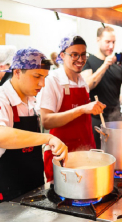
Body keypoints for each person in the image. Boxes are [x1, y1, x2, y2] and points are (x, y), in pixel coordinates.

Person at [0, 47, 67, 210]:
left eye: (45, 77)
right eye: (37, 76)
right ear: (17, 72)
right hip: (3, 197)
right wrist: (48, 138)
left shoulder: (31, 102)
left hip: (32, 191)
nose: (42, 84)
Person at [38, 35, 105, 182]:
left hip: (85, 155)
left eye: (83, 55)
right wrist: (81, 109)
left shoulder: (82, 82)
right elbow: (47, 121)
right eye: (74, 54)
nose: (80, 59)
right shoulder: (52, 80)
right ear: (62, 55)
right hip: (62, 158)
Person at [81, 26, 122, 148]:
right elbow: (87, 85)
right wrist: (105, 65)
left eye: (113, 42)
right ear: (98, 40)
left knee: (117, 154)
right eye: (107, 42)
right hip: (95, 119)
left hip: (116, 118)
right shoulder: (89, 61)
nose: (111, 46)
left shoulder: (120, 65)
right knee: (97, 156)